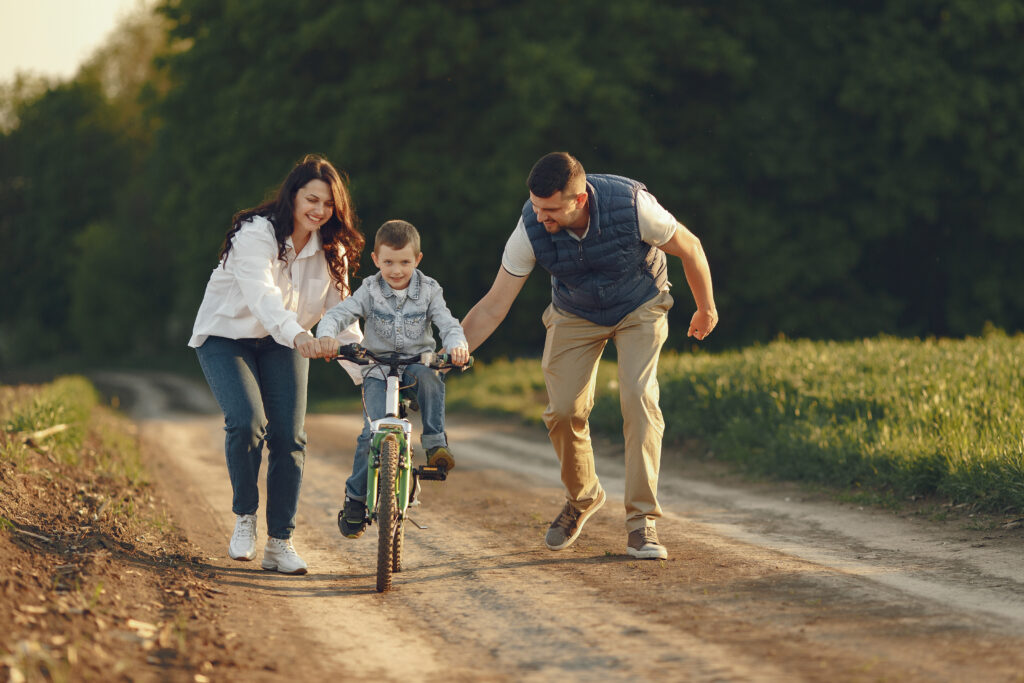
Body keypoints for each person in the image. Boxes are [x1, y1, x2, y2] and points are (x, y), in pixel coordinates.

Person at [460, 152, 718, 560]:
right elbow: (494, 305)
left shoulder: (632, 207)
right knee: (563, 410)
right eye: (535, 205)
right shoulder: (530, 226)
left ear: (578, 201)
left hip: (639, 304)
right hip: (574, 311)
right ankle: (582, 498)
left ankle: (641, 523)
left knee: (638, 397)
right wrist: (452, 349)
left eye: (549, 209)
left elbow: (690, 246)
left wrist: (706, 308)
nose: (538, 215)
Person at [189, 154, 365, 574]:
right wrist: (302, 336)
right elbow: (264, 299)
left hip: (284, 342)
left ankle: (279, 543)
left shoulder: (331, 249)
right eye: (311, 199)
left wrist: (368, 376)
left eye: (327, 204)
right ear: (293, 195)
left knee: (289, 436)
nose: (319, 210)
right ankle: (245, 518)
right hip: (226, 336)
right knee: (248, 421)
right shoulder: (257, 234)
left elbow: (343, 318)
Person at [311, 219, 469, 539]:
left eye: (405, 262)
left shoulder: (429, 290)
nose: (396, 270)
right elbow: (339, 314)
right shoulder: (369, 290)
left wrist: (456, 345)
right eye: (388, 262)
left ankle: (436, 443)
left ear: (418, 260)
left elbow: (447, 322)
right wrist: (327, 335)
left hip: (415, 365)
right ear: (375, 260)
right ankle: (355, 500)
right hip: (378, 369)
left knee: (431, 379)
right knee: (370, 434)